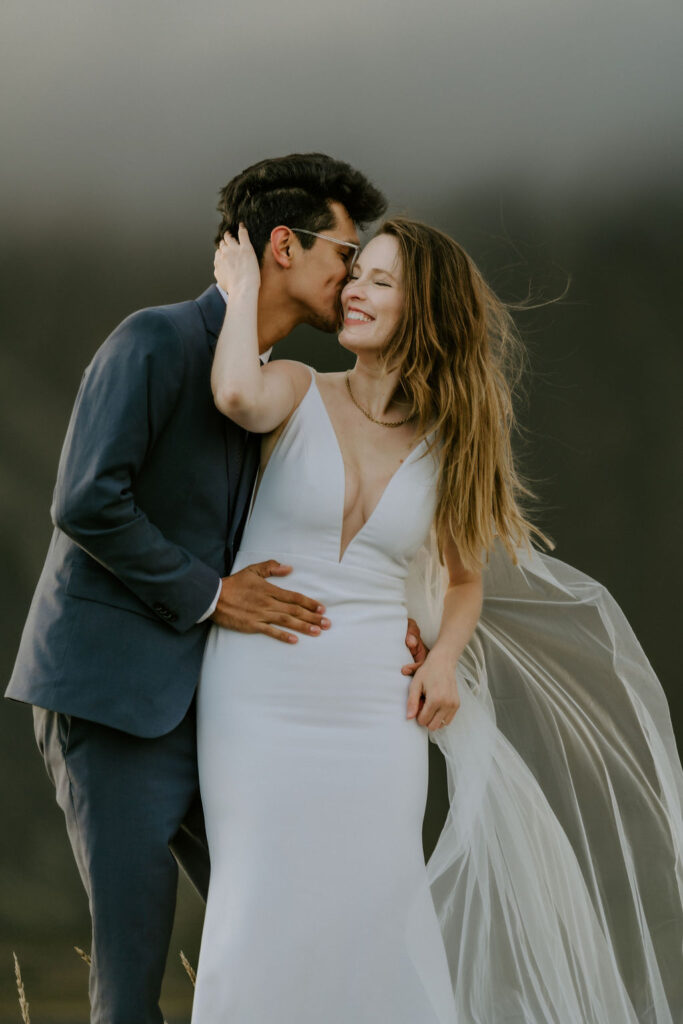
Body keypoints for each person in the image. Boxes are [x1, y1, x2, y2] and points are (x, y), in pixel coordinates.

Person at [191, 218, 683, 1022]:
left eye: (380, 282)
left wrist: (444, 658)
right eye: (357, 276)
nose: (353, 291)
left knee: (372, 906)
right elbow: (235, 393)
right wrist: (241, 292)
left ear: (424, 311)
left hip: (375, 708)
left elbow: (461, 582)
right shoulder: (298, 388)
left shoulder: (451, 444)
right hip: (258, 694)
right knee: (253, 906)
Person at [6, 154, 435, 1024]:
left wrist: (397, 622)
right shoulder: (153, 341)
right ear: (285, 246)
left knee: (287, 920)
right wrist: (212, 596)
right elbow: (86, 499)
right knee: (131, 974)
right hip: (113, 699)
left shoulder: (274, 383)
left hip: (219, 715)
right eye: (344, 254)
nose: (352, 277)